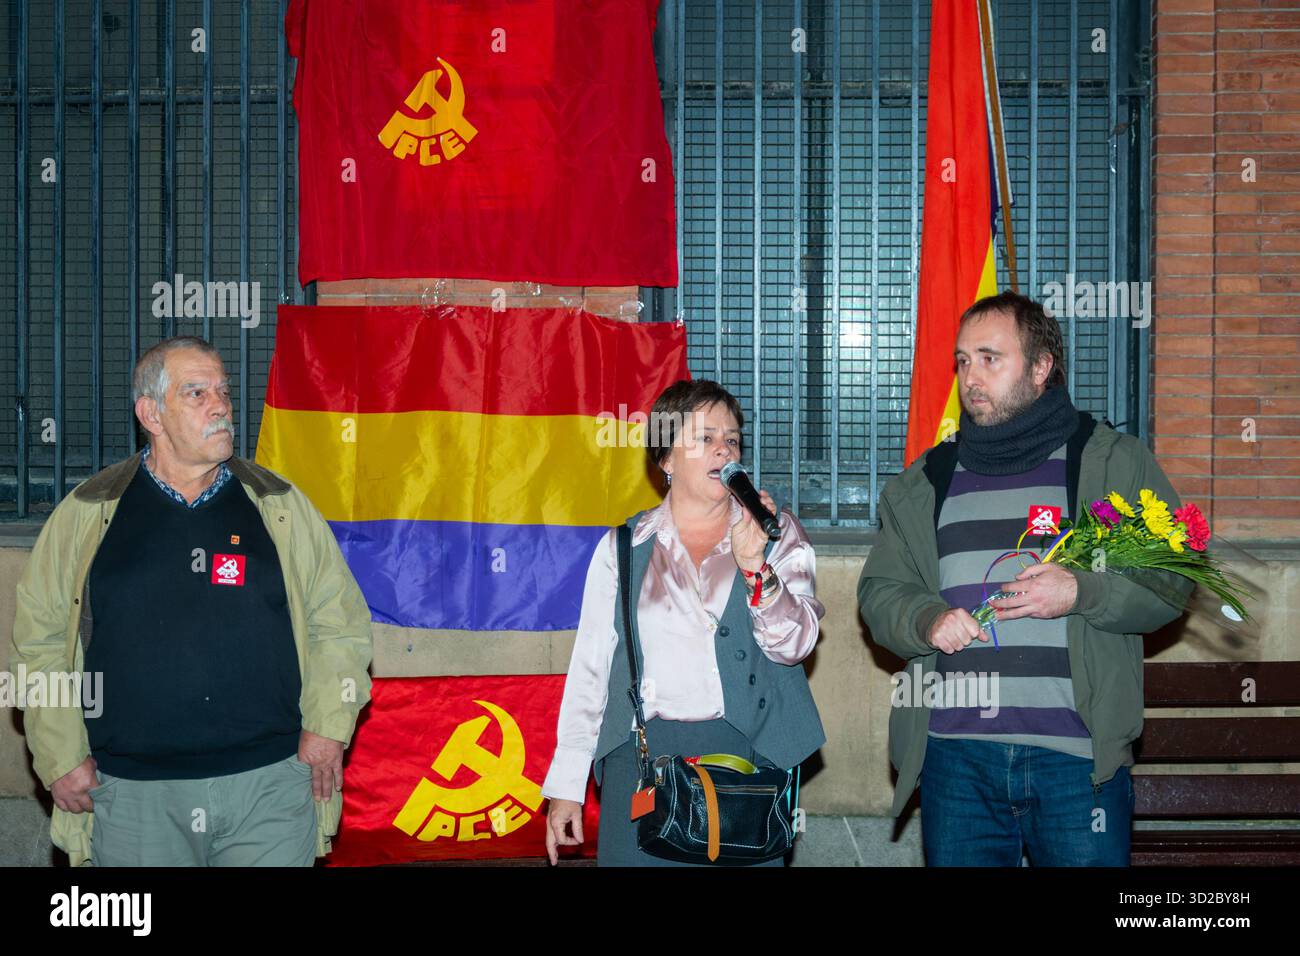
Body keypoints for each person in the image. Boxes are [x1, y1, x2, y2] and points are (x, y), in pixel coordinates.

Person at [858, 291, 1193, 867]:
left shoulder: (1112, 462)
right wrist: (925, 618)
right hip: (956, 759)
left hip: (1076, 762)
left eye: (991, 358)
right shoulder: (926, 481)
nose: (971, 376)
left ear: (1041, 368)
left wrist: (1081, 591)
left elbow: (1170, 583)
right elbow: (880, 591)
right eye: (963, 361)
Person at [11, 336, 373, 866]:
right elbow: (36, 646)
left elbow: (340, 624)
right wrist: (60, 756)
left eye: (223, 391)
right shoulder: (87, 512)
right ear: (150, 413)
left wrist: (327, 729)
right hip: (134, 795)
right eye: (196, 393)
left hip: (268, 786)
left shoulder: (279, 506)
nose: (221, 405)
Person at [542, 379, 825, 866]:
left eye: (732, 439)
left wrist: (756, 567)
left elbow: (795, 645)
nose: (724, 449)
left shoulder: (776, 534)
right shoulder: (623, 547)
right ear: (666, 460)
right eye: (706, 437)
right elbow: (590, 670)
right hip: (645, 759)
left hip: (747, 758)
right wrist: (567, 784)